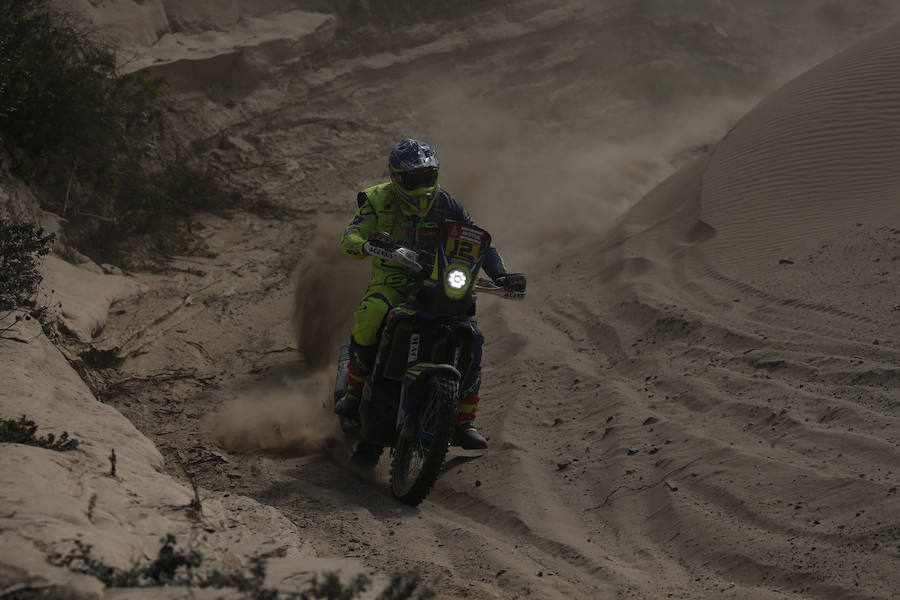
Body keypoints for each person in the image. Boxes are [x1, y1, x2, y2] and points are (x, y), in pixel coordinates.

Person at [334, 139, 521, 450]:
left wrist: (501, 275)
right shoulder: (376, 200)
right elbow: (350, 237)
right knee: (372, 314)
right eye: (414, 179)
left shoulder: (447, 203)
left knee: (471, 337)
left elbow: (480, 241)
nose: (422, 185)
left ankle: (464, 420)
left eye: (428, 176)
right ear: (396, 177)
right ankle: (353, 392)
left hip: (441, 284)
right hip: (392, 281)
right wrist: (370, 245)